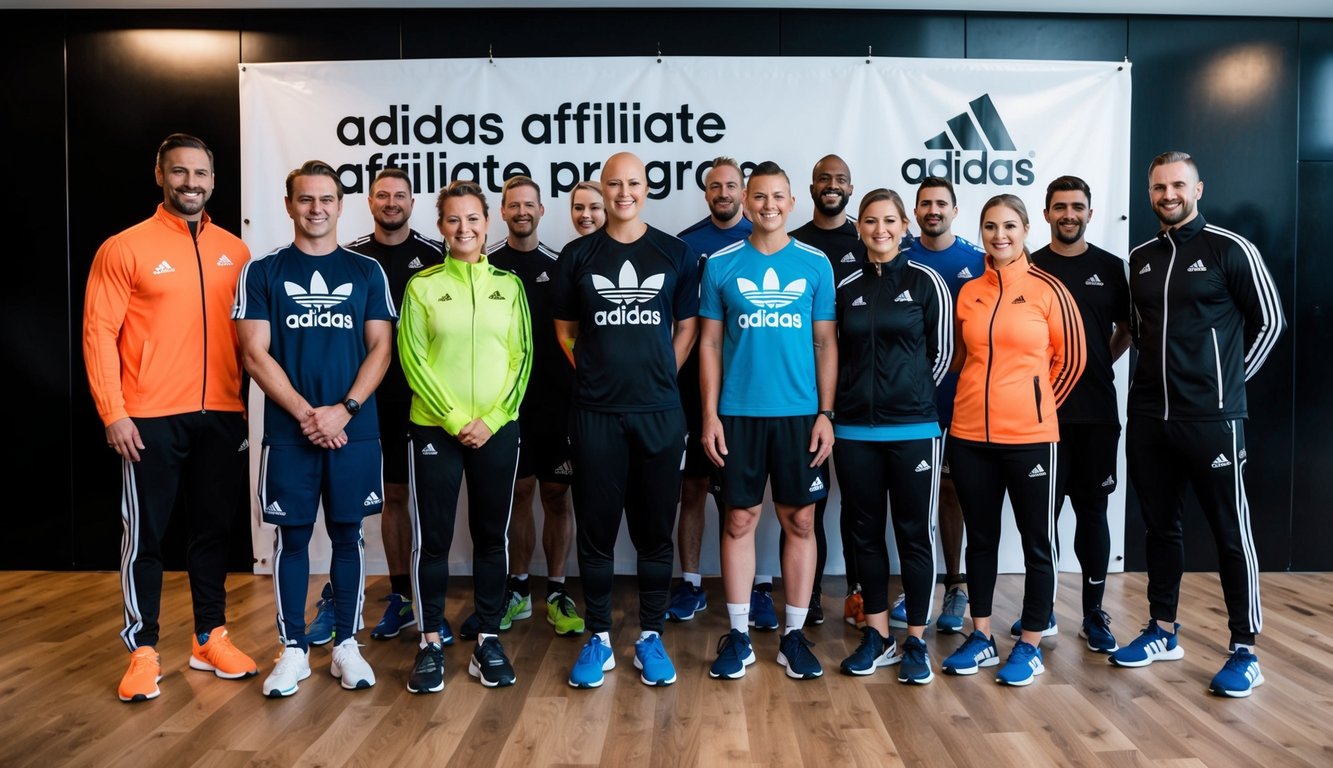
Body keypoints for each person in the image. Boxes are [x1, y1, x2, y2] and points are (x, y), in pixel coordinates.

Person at [84, 132, 258, 702]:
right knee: (146, 538)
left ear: (213, 180)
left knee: (212, 533)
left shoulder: (237, 250)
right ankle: (143, 649)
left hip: (224, 415)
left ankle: (209, 637)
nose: (191, 183)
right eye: (179, 173)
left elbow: (251, 338)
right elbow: (99, 334)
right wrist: (114, 412)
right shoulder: (124, 247)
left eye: (200, 174)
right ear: (159, 175)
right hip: (149, 418)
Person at [1110, 151, 1285, 698]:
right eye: (1159, 186)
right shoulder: (1139, 257)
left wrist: (1224, 391)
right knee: (1161, 528)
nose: (1168, 195)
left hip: (1212, 420)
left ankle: (1245, 648)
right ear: (1150, 192)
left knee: (1232, 531)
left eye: (1178, 185)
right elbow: (1138, 333)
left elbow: (1270, 322)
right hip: (1149, 419)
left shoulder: (1231, 249)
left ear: (1198, 189)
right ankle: (1163, 630)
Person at [235, 160, 395, 697]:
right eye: (306, 199)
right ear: (288, 205)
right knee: (293, 537)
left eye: (326, 199)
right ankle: (295, 649)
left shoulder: (367, 272)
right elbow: (254, 354)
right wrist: (309, 414)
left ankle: (346, 645)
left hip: (355, 428)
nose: (316, 208)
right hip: (290, 434)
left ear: (340, 205)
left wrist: (343, 409)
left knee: (350, 535)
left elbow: (382, 348)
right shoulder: (262, 271)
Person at [552, 152, 699, 689]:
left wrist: (663, 372)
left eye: (633, 183)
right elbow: (566, 331)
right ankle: (597, 637)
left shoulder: (676, 253)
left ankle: (651, 636)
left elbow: (687, 328)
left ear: (646, 187)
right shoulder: (577, 254)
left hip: (660, 412)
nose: (623, 193)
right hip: (595, 414)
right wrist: (593, 373)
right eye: (614, 184)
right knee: (596, 527)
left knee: (655, 528)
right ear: (603, 188)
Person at [940, 193, 1084, 686]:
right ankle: (981, 635)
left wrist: (1037, 408)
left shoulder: (1049, 290)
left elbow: (1073, 360)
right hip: (968, 437)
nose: (999, 235)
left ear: (1025, 230)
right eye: (990, 227)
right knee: (981, 539)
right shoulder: (969, 292)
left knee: (1037, 541)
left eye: (1009, 226)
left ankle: (1029, 643)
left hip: (1031, 439)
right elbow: (959, 359)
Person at [700, 161, 836, 681]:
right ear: (746, 201)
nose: (769, 205)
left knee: (800, 520)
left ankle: (794, 635)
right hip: (738, 414)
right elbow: (710, 344)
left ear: (792, 202)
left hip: (800, 415)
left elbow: (825, 342)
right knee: (739, 520)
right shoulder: (721, 264)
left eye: (778, 196)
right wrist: (710, 414)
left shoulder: (816, 264)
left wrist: (825, 413)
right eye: (759, 196)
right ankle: (737, 635)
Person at [398, 180, 532, 692]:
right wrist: (456, 419)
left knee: (490, 537)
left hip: (496, 429)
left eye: (473, 219)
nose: (464, 228)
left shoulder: (510, 285)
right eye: (453, 219)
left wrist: (493, 419)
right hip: (436, 427)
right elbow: (412, 359)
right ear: (441, 227)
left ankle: (488, 641)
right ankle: (430, 641)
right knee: (432, 541)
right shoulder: (423, 286)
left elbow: (522, 360)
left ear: (487, 222)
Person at [304, 168, 447, 648]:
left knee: (416, 498)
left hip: (423, 399)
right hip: (363, 401)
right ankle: (372, 595)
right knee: (378, 499)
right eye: (382, 195)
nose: (391, 202)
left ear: (412, 201)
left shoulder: (433, 254)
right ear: (367, 201)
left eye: (400, 195)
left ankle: (417, 598)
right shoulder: (355, 258)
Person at [833, 189, 952, 684]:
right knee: (864, 533)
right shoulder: (846, 286)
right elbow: (834, 352)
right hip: (855, 430)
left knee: (913, 534)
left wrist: (914, 399)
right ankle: (878, 636)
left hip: (915, 429)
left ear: (904, 225)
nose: (879, 229)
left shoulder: (928, 282)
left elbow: (943, 355)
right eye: (869, 221)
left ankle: (917, 642)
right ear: (858, 228)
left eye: (888, 220)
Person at [1016, 176, 1131, 652]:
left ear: (1090, 212)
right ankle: (1040, 613)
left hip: (1097, 413)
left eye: (1077, 207)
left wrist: (1090, 363)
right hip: (1038, 417)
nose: (1069, 214)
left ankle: (1093, 612)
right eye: (1060, 206)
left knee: (1093, 512)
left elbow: (1127, 329)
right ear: (1045, 214)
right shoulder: (1027, 266)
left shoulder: (1111, 267)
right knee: (1040, 520)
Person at [485, 175, 584, 637]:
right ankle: (520, 588)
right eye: (513, 205)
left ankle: (559, 589)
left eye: (530, 205)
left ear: (542, 211)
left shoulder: (560, 265)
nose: (522, 211)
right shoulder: (485, 267)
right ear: (502, 213)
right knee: (519, 494)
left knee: (556, 496)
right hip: (506, 406)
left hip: (558, 404)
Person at [892, 177, 986, 634]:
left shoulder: (976, 260)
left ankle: (955, 585)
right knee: (910, 497)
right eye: (925, 203)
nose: (933, 210)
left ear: (955, 209)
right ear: (915, 209)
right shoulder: (899, 254)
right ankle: (916, 589)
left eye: (941, 203)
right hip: (907, 404)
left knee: (950, 494)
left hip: (960, 400)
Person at [667, 157, 753, 623]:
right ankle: (691, 583)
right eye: (715, 186)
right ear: (705, 193)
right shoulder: (687, 244)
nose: (723, 193)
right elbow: (681, 319)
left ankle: (758, 586)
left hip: (749, 386)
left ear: (743, 191)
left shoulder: (763, 239)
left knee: (751, 492)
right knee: (694, 486)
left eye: (731, 185)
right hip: (692, 386)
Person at [786, 154, 861, 627]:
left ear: (851, 187)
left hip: (859, 395)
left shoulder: (869, 235)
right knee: (809, 502)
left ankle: (858, 596)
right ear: (811, 186)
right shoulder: (793, 244)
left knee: (858, 501)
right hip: (805, 395)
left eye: (840, 179)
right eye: (824, 178)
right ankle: (808, 596)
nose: (832, 185)